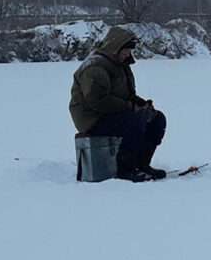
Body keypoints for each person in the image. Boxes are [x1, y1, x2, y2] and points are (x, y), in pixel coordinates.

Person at [69, 27, 167, 182]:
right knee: (134, 121)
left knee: (156, 119)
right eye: (126, 50)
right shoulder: (95, 67)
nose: (128, 54)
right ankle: (125, 169)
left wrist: (140, 104)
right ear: (116, 47)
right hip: (92, 119)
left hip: (113, 113)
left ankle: (141, 164)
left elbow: (126, 95)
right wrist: (130, 107)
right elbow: (97, 101)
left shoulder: (119, 65)